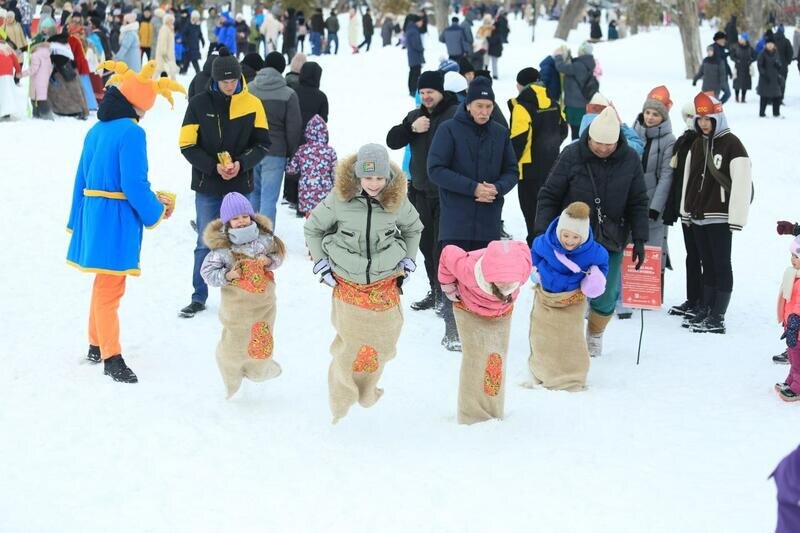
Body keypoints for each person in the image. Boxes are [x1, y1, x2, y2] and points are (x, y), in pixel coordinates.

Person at [67, 60, 183, 383]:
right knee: (111, 287)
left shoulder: (96, 129)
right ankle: (111, 357)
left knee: (103, 282)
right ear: (138, 104)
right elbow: (133, 184)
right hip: (115, 219)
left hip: (94, 214)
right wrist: (156, 211)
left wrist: (76, 218)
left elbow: (82, 176)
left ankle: (95, 344)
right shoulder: (132, 132)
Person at [303, 144, 423, 424]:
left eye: (380, 178)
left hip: (384, 279)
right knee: (351, 344)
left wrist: (409, 258)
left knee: (384, 343)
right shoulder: (339, 199)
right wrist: (321, 262)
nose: (374, 184)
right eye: (368, 178)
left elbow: (413, 228)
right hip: (348, 279)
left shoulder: (397, 200)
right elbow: (313, 229)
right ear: (358, 176)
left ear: (388, 178)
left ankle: (367, 388)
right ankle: (342, 397)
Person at [535, 107, 650, 357]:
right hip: (571, 238)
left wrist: (640, 239)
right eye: (598, 143)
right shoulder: (572, 154)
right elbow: (549, 194)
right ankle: (565, 336)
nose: (603, 149)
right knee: (565, 289)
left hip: (611, 237)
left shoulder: (629, 158)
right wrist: (543, 232)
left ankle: (595, 334)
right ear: (589, 137)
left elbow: (638, 201)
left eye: (609, 145)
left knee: (605, 294)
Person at [178, 51, 271, 318]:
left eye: (233, 81)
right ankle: (198, 295)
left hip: (240, 183)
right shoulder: (198, 104)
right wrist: (213, 166)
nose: (229, 85)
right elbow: (187, 144)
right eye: (224, 81)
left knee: (245, 238)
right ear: (215, 80)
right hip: (208, 184)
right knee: (204, 241)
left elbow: (263, 143)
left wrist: (242, 163)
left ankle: (246, 289)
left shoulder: (253, 103)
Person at [428, 78, 519, 350]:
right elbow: (436, 169)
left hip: (489, 217)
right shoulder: (449, 130)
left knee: (483, 273)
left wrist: (498, 187)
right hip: (456, 217)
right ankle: (453, 328)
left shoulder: (500, 133)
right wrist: (472, 188)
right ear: (468, 105)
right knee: (453, 272)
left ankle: (479, 322)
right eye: (479, 106)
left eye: (489, 106)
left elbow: (512, 171)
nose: (484, 112)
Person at [200, 192, 286, 399]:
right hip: (237, 308)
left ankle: (259, 370)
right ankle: (232, 373)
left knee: (261, 341)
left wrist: (269, 261)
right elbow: (207, 273)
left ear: (251, 216)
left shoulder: (265, 240)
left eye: (244, 216)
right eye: (235, 218)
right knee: (236, 343)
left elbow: (278, 255)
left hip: (263, 306)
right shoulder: (223, 250)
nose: (241, 221)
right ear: (228, 223)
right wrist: (228, 275)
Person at [679, 92, 752, 334]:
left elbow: (741, 182)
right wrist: (685, 209)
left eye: (708, 118)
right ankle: (707, 308)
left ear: (718, 117)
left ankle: (718, 315)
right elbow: (688, 179)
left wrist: (737, 218)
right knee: (706, 263)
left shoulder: (732, 144)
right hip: (698, 214)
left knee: (721, 263)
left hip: (719, 215)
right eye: (700, 119)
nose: (703, 123)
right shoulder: (697, 143)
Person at [386, 70, 458, 312]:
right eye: (423, 92)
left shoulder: (455, 114)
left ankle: (448, 296)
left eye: (431, 92)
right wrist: (411, 129)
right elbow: (392, 140)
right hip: (418, 191)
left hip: (446, 194)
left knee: (443, 248)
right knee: (426, 246)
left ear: (441, 92)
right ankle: (436, 291)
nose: (426, 96)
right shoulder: (415, 116)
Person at [438, 240, 531, 424]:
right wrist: (448, 286)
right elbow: (448, 253)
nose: (505, 286)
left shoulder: (522, 268)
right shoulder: (469, 270)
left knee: (495, 360)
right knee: (475, 359)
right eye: (501, 282)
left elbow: (523, 248)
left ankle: (493, 409)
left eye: (510, 282)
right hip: (469, 309)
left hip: (501, 315)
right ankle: (471, 413)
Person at [529, 202, 609, 391]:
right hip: (546, 296)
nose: (570, 241)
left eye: (576, 237)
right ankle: (542, 369)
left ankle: (571, 373)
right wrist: (536, 270)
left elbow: (603, 265)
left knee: (569, 337)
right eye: (566, 235)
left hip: (572, 299)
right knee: (543, 335)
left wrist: (596, 278)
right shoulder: (545, 242)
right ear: (559, 231)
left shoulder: (594, 251)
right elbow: (534, 253)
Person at [508, 67, 568, 246]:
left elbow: (518, 140)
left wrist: (511, 163)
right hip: (552, 166)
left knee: (531, 215)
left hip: (528, 170)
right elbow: (563, 130)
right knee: (549, 210)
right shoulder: (554, 103)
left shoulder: (522, 106)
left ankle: (536, 252)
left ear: (520, 84)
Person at [248, 51, 303, 226]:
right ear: (282, 68)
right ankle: (265, 239)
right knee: (269, 199)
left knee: (253, 195)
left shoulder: (249, 89)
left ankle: (249, 235)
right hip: (275, 152)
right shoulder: (288, 94)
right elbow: (293, 128)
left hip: (250, 151)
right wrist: (290, 152)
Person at [632, 86, 675, 277]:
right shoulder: (633, 132)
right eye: (647, 112)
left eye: (656, 114)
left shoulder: (669, 140)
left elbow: (667, 175)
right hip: (631, 201)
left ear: (663, 117)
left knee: (652, 245)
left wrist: (656, 207)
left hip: (652, 203)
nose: (650, 117)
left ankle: (651, 287)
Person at [665, 102, 702, 320]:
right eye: (687, 115)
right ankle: (693, 298)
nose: (691, 119)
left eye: (694, 115)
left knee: (703, 256)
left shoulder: (704, 142)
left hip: (701, 209)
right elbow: (677, 178)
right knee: (692, 256)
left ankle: (705, 302)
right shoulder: (684, 139)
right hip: (685, 208)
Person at [286, 115, 337, 217]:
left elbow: (291, 170)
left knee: (310, 219)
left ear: (308, 133)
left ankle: (311, 232)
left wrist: (287, 161)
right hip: (325, 190)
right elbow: (336, 173)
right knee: (324, 217)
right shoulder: (330, 151)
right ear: (325, 133)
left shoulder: (302, 150)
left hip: (306, 190)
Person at [774, 236, 800, 402]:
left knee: (798, 358)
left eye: (797, 256)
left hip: (796, 327)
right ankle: (792, 380)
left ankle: (798, 386)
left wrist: (795, 322)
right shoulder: (795, 276)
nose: (793, 259)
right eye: (792, 255)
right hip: (791, 326)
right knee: (792, 356)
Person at [554, 42, 597, 139]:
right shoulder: (586, 63)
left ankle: (577, 151)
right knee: (579, 130)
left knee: (576, 132)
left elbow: (561, 67)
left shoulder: (579, 65)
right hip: (581, 103)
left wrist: (558, 56)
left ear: (582, 52)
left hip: (575, 105)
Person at [22, 34, 53, 119]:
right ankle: (45, 115)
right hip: (44, 80)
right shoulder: (47, 53)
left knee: (34, 98)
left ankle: (39, 115)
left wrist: (22, 74)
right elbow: (50, 68)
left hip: (36, 81)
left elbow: (33, 69)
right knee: (42, 98)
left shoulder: (35, 55)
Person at [757, 37, 783, 118]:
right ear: (766, 45)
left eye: (771, 44)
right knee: (764, 96)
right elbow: (759, 65)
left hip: (775, 78)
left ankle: (776, 113)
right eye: (768, 44)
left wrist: (778, 65)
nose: (770, 45)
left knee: (777, 96)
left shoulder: (776, 53)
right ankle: (762, 113)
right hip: (765, 78)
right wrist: (763, 74)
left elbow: (779, 64)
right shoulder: (762, 54)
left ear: (774, 45)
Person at [732, 32, 755, 103]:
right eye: (740, 38)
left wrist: (750, 61)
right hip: (738, 67)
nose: (740, 40)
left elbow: (755, 56)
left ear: (745, 40)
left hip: (746, 68)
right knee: (737, 83)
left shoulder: (750, 48)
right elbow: (732, 55)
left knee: (745, 83)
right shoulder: (736, 47)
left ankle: (743, 97)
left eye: (742, 39)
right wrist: (736, 60)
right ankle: (736, 97)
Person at [405, 14, 424, 97]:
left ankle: (412, 90)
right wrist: (421, 48)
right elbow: (416, 44)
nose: (422, 24)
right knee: (415, 73)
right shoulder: (413, 30)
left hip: (412, 55)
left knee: (413, 72)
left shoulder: (411, 29)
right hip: (415, 55)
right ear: (417, 21)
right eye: (421, 22)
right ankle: (413, 90)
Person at [180, 10, 204, 75]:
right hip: (189, 45)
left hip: (195, 45)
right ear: (192, 18)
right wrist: (185, 43)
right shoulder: (188, 25)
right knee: (191, 59)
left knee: (190, 59)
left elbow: (200, 34)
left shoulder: (197, 25)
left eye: (197, 18)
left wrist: (202, 40)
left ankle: (184, 71)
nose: (196, 19)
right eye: (194, 18)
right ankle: (198, 72)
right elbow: (184, 34)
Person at [154, 13, 178, 79]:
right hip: (164, 53)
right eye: (169, 20)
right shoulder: (164, 29)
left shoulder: (170, 29)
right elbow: (162, 41)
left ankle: (173, 83)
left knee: (170, 69)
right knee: (159, 68)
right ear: (166, 21)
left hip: (169, 52)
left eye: (172, 20)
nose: (171, 22)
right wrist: (163, 52)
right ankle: (153, 82)